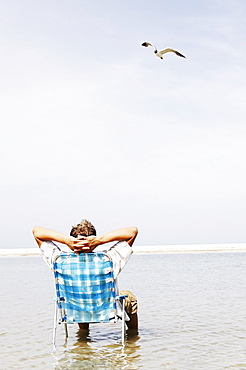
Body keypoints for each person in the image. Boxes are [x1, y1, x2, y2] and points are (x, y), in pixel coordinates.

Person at [32, 220, 138, 334]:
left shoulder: (59, 260)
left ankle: (84, 334)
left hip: (77, 310)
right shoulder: (108, 259)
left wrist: (66, 241)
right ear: (93, 240)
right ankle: (133, 334)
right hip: (107, 310)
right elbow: (132, 231)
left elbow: (37, 231)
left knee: (79, 292)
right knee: (129, 297)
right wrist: (98, 241)